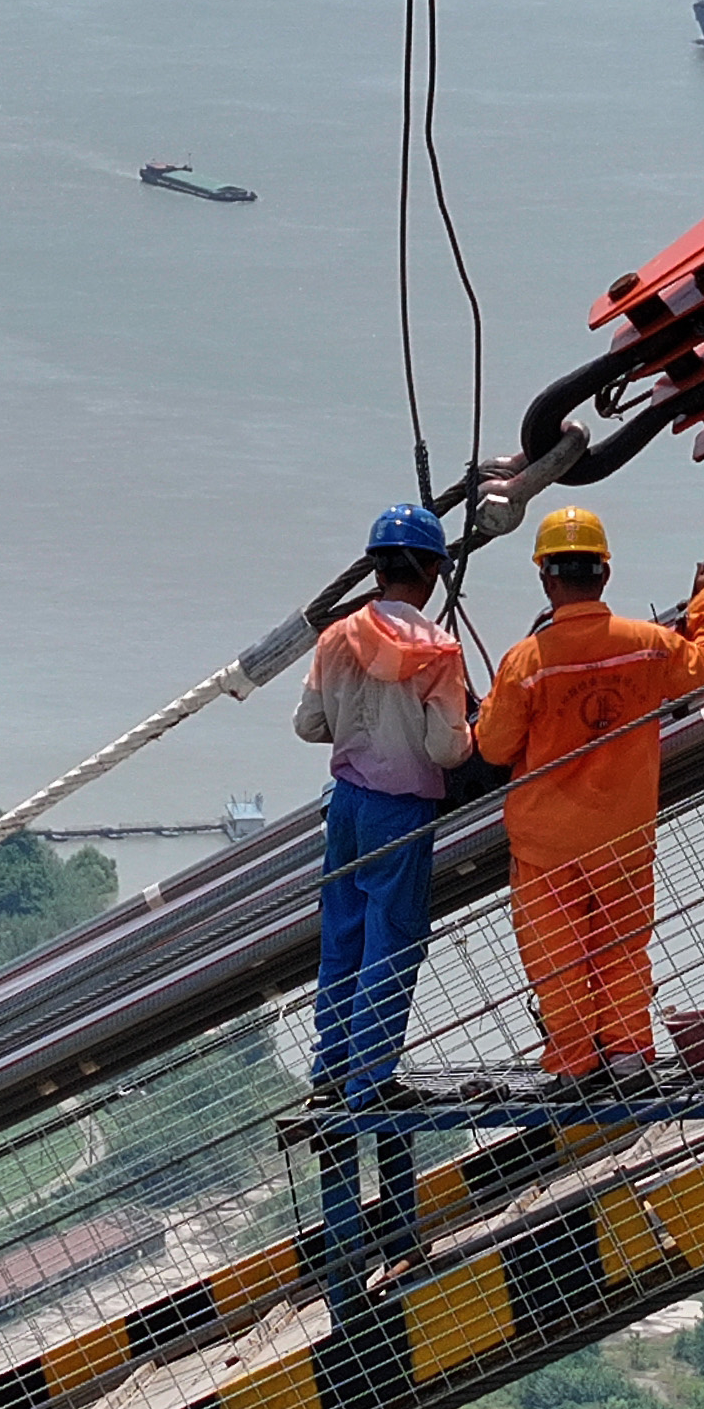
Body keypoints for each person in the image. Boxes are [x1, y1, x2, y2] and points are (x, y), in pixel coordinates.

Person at [472, 505, 704, 1092]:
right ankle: (626, 1053)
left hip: (547, 843)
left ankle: (573, 1061)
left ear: (546, 577)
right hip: (623, 834)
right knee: (622, 945)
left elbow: (493, 747)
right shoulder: (644, 646)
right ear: (605, 575)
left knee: (557, 954)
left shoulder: (527, 662)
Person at [295, 505, 474, 1261]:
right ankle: (370, 1077)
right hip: (403, 811)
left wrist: (358, 721)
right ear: (431, 572)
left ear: (375, 568)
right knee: (392, 948)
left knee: (341, 939)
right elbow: (448, 747)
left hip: (347, 807)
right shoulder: (438, 650)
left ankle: (330, 1068)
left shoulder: (337, 637)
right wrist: (468, 725)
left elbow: (309, 726)